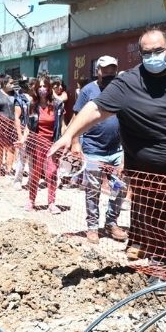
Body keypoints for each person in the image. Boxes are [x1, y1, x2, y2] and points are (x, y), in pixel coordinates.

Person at [49, 28, 166, 285]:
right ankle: (157, 269)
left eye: (158, 51)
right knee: (155, 220)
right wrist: (69, 135)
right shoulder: (128, 82)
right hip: (147, 171)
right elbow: (95, 108)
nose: (153, 57)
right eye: (147, 53)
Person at [72, 55, 127, 244]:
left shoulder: (121, 90)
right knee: (93, 190)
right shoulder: (88, 90)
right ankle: (93, 227)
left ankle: (111, 222)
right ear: (98, 71)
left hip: (116, 149)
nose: (109, 72)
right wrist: (75, 142)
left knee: (120, 188)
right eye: (105, 69)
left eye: (113, 68)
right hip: (93, 149)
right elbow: (77, 118)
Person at [25, 76, 64, 214]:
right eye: (40, 86)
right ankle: (31, 200)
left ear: (49, 88)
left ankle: (52, 203)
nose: (42, 89)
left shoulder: (57, 104)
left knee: (52, 173)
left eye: (45, 86)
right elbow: (28, 127)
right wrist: (23, 140)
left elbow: (62, 125)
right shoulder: (32, 105)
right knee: (35, 173)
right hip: (36, 144)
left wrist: (64, 141)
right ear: (36, 88)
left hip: (52, 144)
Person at [12, 76, 32, 190]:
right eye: (24, 83)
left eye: (27, 83)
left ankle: (31, 181)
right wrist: (20, 135)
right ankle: (18, 180)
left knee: (33, 159)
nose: (26, 85)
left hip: (33, 131)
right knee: (21, 158)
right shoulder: (19, 99)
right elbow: (17, 117)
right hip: (24, 129)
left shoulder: (35, 98)